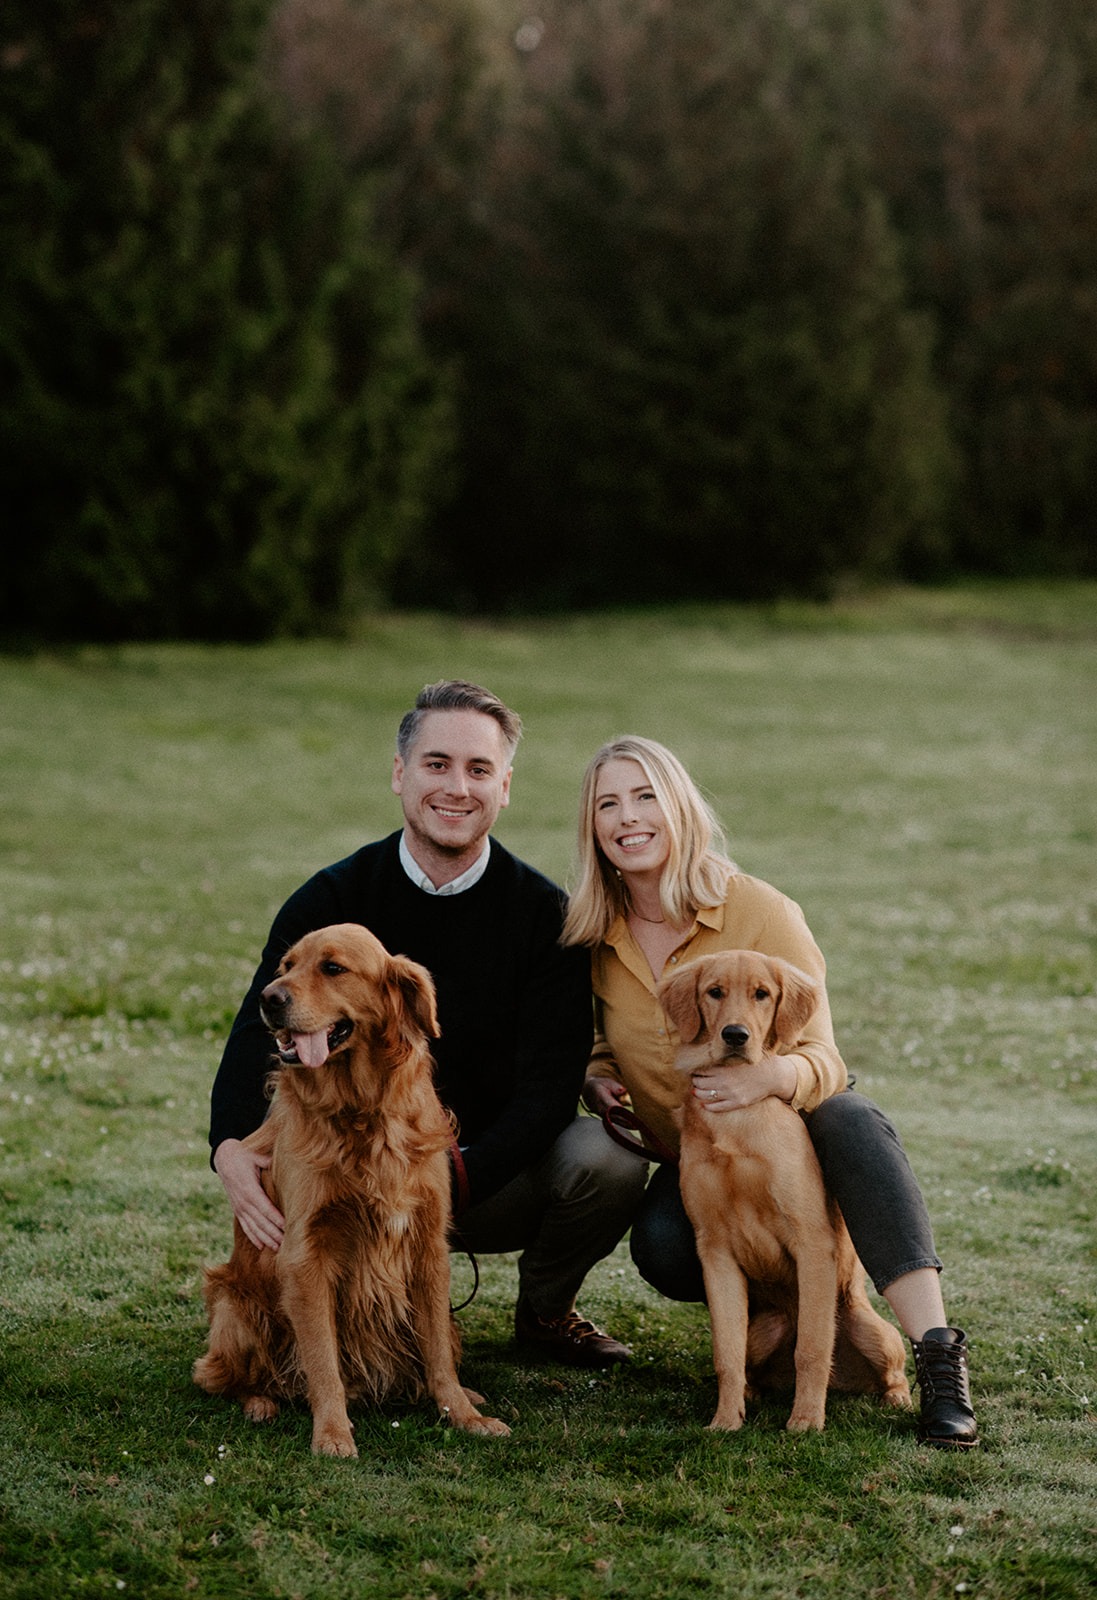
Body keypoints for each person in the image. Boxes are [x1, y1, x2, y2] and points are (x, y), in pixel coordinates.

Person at [209, 681, 645, 1367]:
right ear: (399, 774)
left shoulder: (544, 916)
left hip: (481, 1180)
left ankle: (544, 1315)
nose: (456, 788)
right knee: (296, 1187)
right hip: (350, 1173)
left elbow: (549, 1086)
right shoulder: (333, 898)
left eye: (478, 770)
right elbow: (252, 1029)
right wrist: (228, 1145)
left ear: (504, 787)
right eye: (436, 764)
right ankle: (337, 1332)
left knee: (607, 1159)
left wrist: (454, 1176)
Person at [562, 735, 979, 1448]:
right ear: (592, 825)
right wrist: (599, 1078)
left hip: (794, 1132)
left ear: (681, 809)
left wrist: (769, 1075)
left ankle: (937, 1356)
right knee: (665, 1247)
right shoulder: (595, 933)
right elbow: (605, 1038)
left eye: (645, 797)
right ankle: (759, 1353)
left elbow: (823, 1054)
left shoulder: (758, 910)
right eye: (608, 803)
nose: (627, 818)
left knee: (850, 1118)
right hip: (694, 1148)